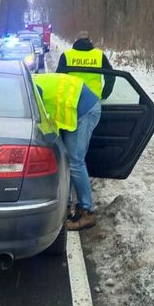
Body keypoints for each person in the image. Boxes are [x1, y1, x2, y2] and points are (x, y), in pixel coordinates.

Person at [33, 73, 101, 231]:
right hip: (72, 108)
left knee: (75, 160)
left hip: (85, 109)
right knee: (65, 159)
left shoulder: (32, 90)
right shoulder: (27, 83)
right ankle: (66, 205)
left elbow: (39, 122)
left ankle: (87, 212)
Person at [56, 31, 114, 100]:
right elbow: (111, 76)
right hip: (93, 100)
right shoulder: (99, 55)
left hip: (71, 99)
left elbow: (58, 78)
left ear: (76, 40)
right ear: (89, 40)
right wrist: (104, 95)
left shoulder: (66, 55)